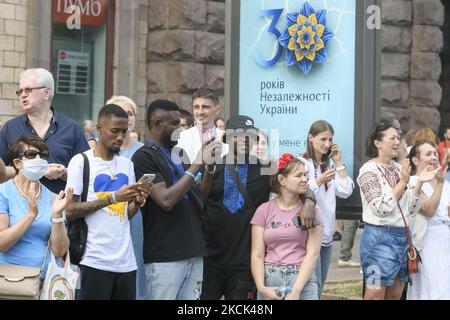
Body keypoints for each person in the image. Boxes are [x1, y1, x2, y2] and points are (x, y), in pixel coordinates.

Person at [200, 116, 318, 300]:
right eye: (240, 135)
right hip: (209, 261)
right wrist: (207, 168)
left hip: (244, 265)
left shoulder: (265, 168)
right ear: (227, 138)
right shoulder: (212, 166)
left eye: (251, 135)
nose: (246, 139)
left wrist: (310, 202)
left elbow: (294, 182)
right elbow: (199, 198)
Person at [132, 99, 221, 300]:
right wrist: (197, 163)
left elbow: (201, 197)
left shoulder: (179, 153)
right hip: (165, 255)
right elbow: (165, 200)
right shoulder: (143, 157)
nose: (180, 130)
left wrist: (208, 167)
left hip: (193, 249)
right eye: (174, 124)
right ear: (157, 124)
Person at [65, 104, 151, 300]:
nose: (120, 137)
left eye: (124, 131)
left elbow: (125, 214)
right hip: (93, 259)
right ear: (99, 128)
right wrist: (112, 198)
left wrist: (137, 202)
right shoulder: (81, 162)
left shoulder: (127, 164)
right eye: (115, 131)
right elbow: (69, 211)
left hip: (126, 261)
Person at [357, 122, 437, 300]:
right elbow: (380, 208)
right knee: (375, 295)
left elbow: (411, 209)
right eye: (392, 138)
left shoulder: (398, 168)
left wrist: (419, 184)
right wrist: (402, 183)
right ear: (378, 143)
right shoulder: (368, 170)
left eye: (398, 138)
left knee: (395, 296)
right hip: (379, 239)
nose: (397, 142)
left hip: (403, 238)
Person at [0, 68, 90, 193]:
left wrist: (64, 172)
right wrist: (38, 170)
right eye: (20, 91)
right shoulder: (10, 128)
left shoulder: (71, 128)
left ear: (47, 93)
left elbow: (88, 173)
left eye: (28, 90)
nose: (23, 95)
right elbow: (1, 171)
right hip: (18, 208)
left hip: (59, 207)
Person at [251, 154, 323, 300]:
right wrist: (262, 288)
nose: (305, 179)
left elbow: (313, 253)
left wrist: (296, 290)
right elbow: (257, 254)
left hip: (302, 280)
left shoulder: (312, 211)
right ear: (282, 180)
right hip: (270, 280)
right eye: (298, 175)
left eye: (305, 175)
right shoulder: (263, 210)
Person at [0, 135, 72, 278]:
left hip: (45, 280)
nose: (39, 160)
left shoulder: (53, 197)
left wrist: (57, 217)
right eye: (31, 155)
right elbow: (2, 243)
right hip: (10, 280)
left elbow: (59, 251)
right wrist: (31, 215)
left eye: (43, 155)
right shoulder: (3, 192)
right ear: (18, 163)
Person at [300, 120, 354, 296]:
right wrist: (318, 181)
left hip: (327, 233)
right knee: (311, 289)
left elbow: (345, 191)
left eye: (330, 140)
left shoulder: (330, 164)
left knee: (320, 287)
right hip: (308, 235)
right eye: (323, 139)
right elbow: (299, 192)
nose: (327, 144)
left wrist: (338, 162)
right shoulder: (301, 162)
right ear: (311, 138)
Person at [105, 95, 146, 300]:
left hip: (135, 219)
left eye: (129, 114)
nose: (125, 118)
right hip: (106, 219)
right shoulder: (97, 151)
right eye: (119, 113)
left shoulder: (144, 151)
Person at [407, 142, 450, 299]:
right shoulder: (413, 182)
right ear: (415, 160)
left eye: (435, 154)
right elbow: (429, 210)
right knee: (433, 287)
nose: (434, 157)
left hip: (446, 240)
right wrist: (439, 184)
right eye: (428, 154)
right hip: (428, 242)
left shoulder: (445, 184)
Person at [176, 88, 225, 164]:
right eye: (196, 107)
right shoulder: (181, 138)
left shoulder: (226, 137)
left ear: (217, 110)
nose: (200, 112)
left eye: (205, 107)